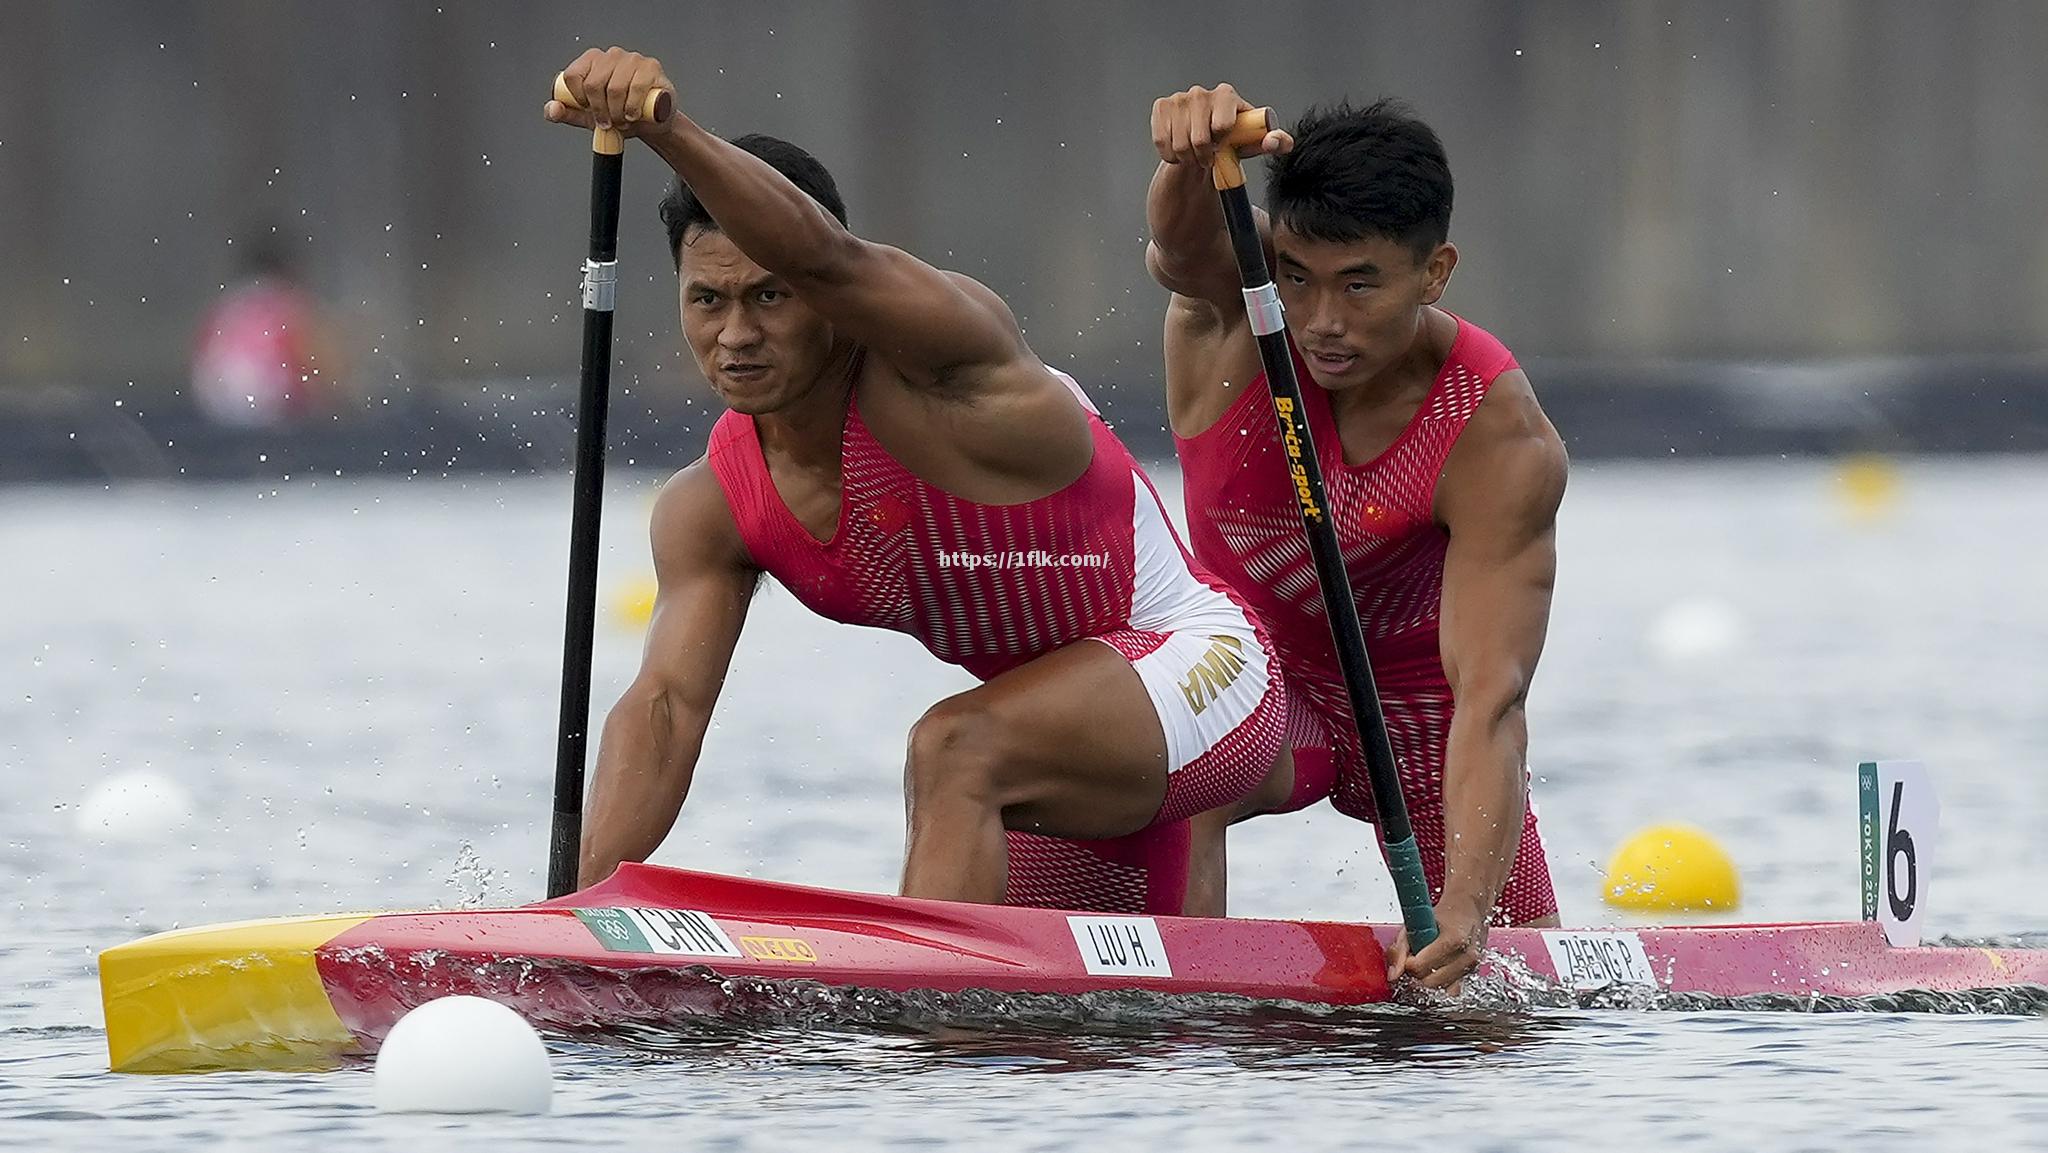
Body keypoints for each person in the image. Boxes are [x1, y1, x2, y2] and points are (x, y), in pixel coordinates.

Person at [551, 48, 1291, 914]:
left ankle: (917, 1034)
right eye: (707, 301)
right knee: (1083, 1037)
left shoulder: (950, 362)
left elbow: (830, 259)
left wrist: (666, 131)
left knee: (951, 749)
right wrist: (567, 923)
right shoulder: (710, 508)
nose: (737, 335)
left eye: (771, 298)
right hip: (1056, 733)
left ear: (825, 297)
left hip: (1205, 668)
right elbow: (666, 711)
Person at [1146, 85, 1568, 986]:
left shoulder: (1497, 435)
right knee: (1173, 746)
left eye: (1360, 284)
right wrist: (1188, 160)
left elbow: (1489, 694)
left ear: (1436, 271)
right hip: (1245, 676)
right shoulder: (1238, 304)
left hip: (1421, 717)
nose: (1323, 321)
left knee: (1506, 996)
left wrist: (1464, 913)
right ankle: (1178, 1025)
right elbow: (1184, 249)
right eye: (1298, 277)